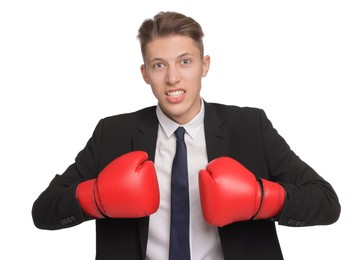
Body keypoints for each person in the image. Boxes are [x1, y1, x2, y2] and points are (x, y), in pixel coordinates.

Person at [32, 11, 341, 260]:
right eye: (158, 65)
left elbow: (326, 202)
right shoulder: (112, 134)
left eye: (185, 61)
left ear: (204, 65)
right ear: (144, 73)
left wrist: (261, 199)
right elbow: (44, 210)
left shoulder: (250, 126)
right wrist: (95, 198)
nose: (172, 78)